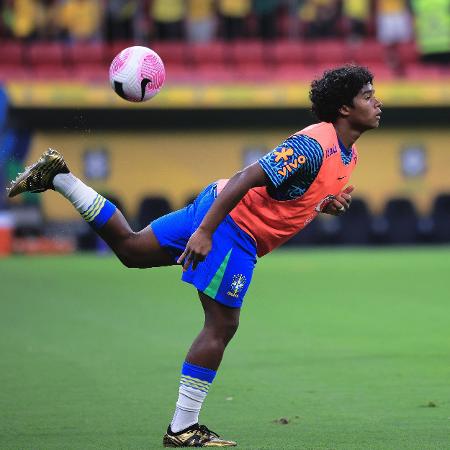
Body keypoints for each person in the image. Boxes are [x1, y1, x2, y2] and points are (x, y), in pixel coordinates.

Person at [7, 65, 382, 447]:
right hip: (233, 226)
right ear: (344, 109)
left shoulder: (347, 156)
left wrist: (322, 204)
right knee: (222, 325)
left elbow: (289, 194)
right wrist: (205, 232)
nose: (377, 102)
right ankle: (183, 427)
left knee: (133, 249)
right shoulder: (312, 145)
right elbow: (245, 178)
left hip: (219, 211)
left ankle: (59, 177)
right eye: (367, 96)